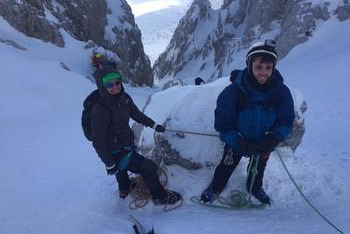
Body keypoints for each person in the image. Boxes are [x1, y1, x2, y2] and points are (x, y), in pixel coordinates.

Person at [200, 39, 295, 205]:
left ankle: (254, 187)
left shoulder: (281, 92)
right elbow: (223, 124)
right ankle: (216, 187)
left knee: (257, 169)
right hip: (238, 139)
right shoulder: (233, 92)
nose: (263, 72)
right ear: (250, 65)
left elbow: (285, 120)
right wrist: (238, 142)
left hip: (264, 141)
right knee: (226, 165)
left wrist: (272, 138)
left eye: (268, 67)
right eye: (259, 67)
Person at [91, 66, 181, 205]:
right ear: (102, 87)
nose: (115, 87)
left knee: (121, 170)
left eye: (117, 82)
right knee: (149, 168)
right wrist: (109, 164)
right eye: (109, 85)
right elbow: (98, 141)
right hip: (115, 152)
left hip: (125, 144)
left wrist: (154, 125)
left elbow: (136, 115)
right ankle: (160, 197)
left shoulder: (124, 98)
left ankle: (124, 189)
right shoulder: (100, 110)